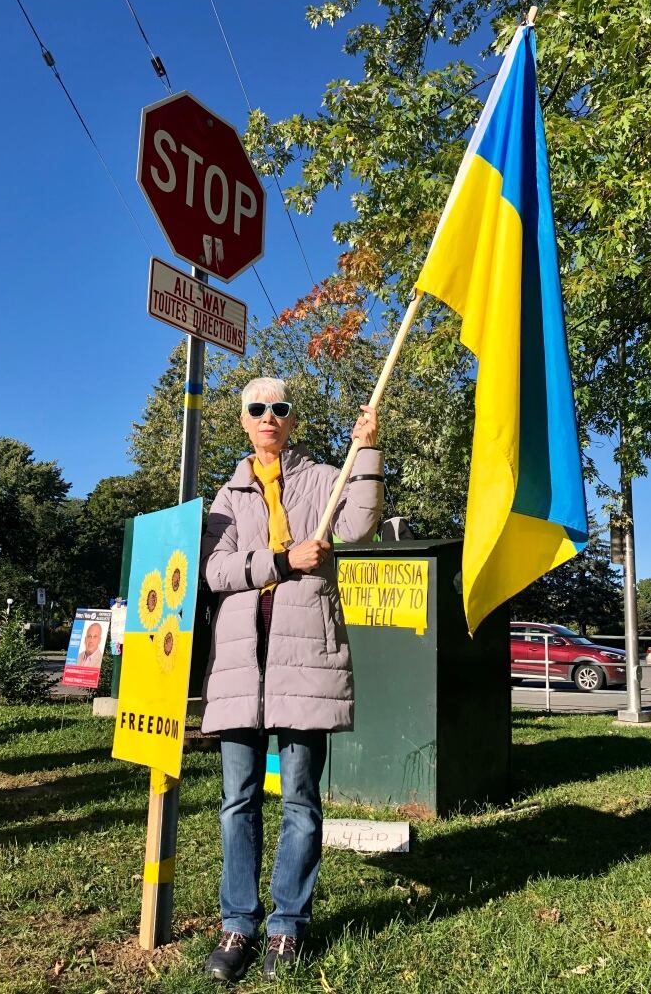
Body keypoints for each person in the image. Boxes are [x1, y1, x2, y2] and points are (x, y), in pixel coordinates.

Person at [200, 376, 383, 982]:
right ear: (244, 421)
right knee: (237, 803)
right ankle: (237, 925)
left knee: (301, 802)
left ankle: (287, 929)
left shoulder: (325, 478)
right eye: (258, 409)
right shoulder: (226, 498)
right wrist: (281, 561)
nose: (269, 418)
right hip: (239, 666)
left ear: (292, 420)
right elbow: (215, 572)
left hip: (306, 663)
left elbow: (357, 524)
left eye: (279, 409)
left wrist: (369, 449)